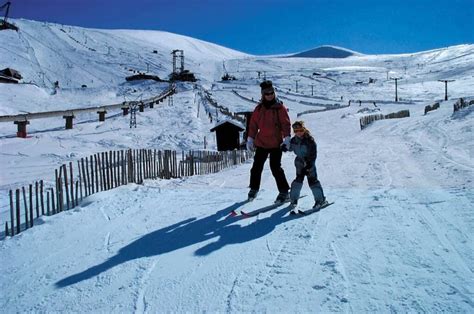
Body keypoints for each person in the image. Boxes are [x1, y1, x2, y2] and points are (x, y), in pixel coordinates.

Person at [246, 80, 291, 203]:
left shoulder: (279, 108)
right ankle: (254, 189)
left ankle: (284, 192)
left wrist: (287, 138)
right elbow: (253, 124)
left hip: (276, 143)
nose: (270, 95)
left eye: (272, 93)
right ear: (263, 95)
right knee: (256, 167)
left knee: (275, 167)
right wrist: (250, 139)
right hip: (262, 143)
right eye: (267, 93)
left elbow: (285, 124)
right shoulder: (259, 109)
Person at [284, 120, 327, 209]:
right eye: (296, 131)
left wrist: (310, 164)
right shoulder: (294, 140)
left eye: (300, 130)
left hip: (309, 162)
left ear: (304, 129)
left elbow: (313, 154)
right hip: (299, 163)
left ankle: (320, 200)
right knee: (298, 180)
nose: (298, 133)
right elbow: (290, 147)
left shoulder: (309, 140)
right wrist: (284, 147)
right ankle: (293, 200)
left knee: (312, 181)